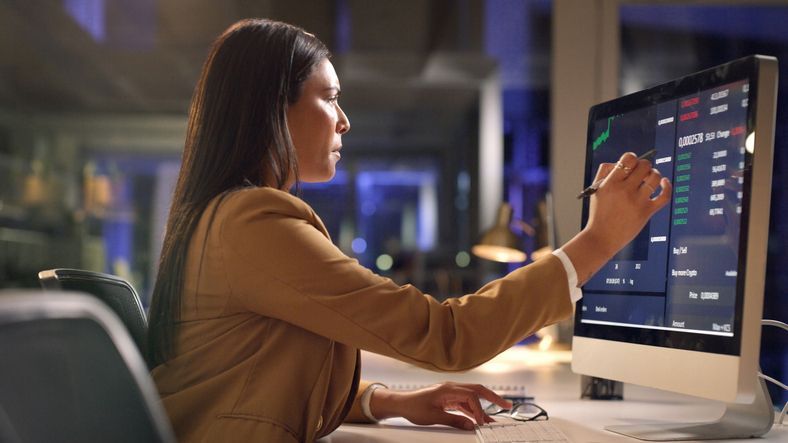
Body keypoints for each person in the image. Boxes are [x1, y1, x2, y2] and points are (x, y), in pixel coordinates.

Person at [146, 18, 671, 443]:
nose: (344, 120)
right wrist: (599, 240)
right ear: (272, 112)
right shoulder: (252, 224)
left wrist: (391, 401)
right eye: (329, 97)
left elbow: (251, 379)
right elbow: (447, 336)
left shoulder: (224, 216)